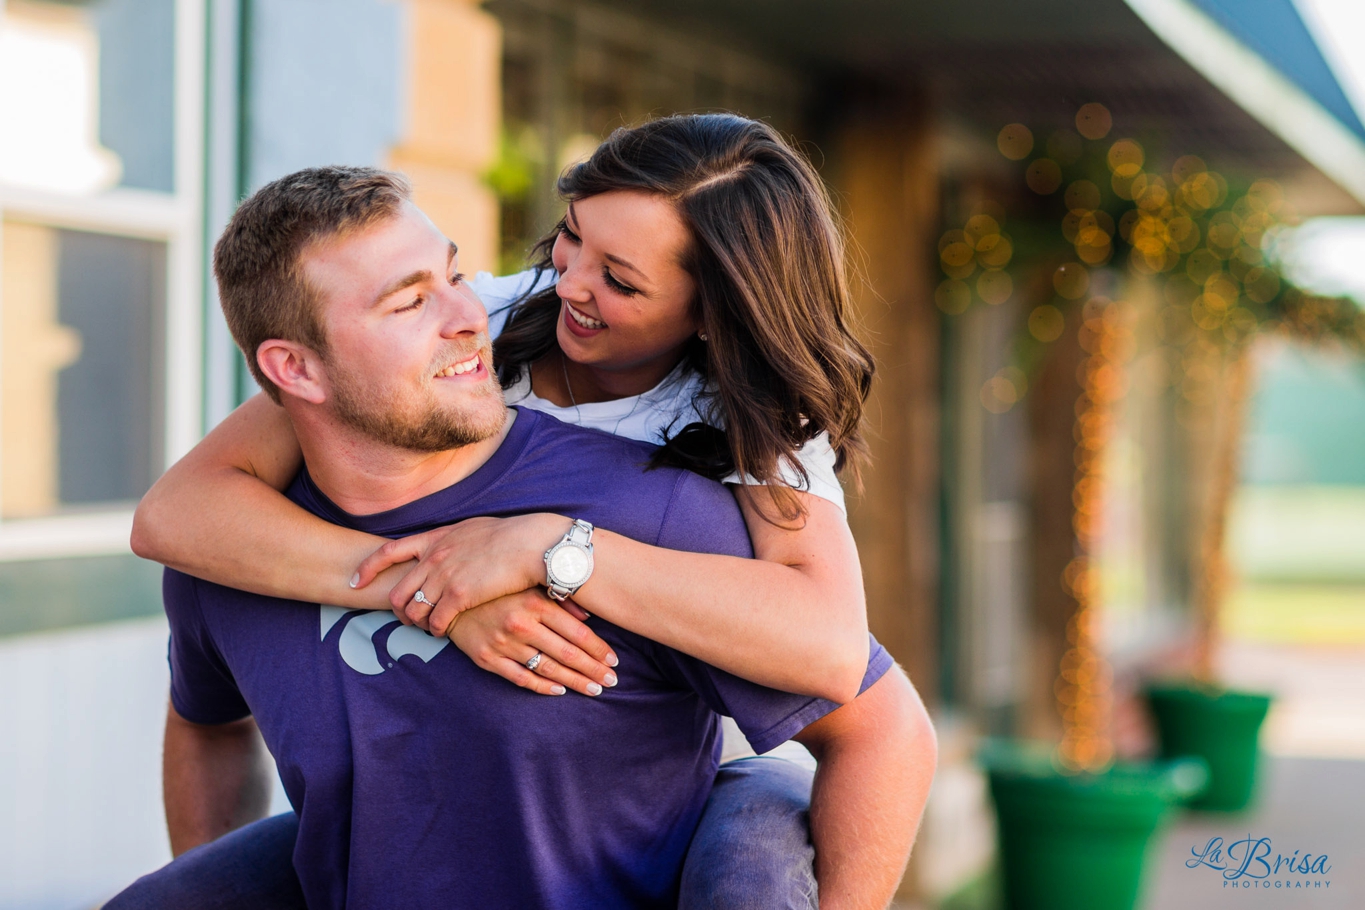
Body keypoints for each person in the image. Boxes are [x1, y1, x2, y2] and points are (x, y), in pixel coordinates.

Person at [129, 114, 913, 904]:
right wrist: (429, 593)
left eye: (621, 280)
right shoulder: (486, 318)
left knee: (755, 839)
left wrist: (555, 550)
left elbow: (836, 660)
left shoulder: (744, 437)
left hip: (659, 776)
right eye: (571, 237)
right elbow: (178, 513)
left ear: (711, 314)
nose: (569, 284)